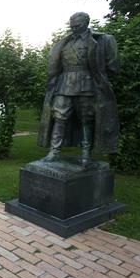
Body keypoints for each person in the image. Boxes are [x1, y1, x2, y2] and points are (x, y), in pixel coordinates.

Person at [38, 12, 119, 168]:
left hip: (87, 85)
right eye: (72, 24)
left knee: (86, 120)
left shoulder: (102, 40)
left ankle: (85, 155)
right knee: (59, 118)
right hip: (64, 85)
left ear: (87, 23)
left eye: (78, 25)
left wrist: (101, 79)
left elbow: (113, 66)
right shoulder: (63, 42)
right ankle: (54, 151)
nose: (74, 27)